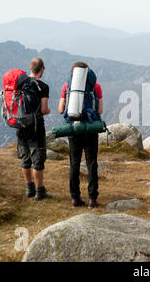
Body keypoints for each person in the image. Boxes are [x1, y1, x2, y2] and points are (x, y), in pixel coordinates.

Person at [58, 61, 103, 208]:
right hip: (90, 128)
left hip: (74, 128)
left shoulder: (68, 86)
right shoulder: (95, 86)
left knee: (74, 163)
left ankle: (75, 199)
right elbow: (100, 111)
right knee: (91, 163)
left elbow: (60, 109)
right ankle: (92, 199)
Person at [17, 58, 53, 201]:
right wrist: (48, 110)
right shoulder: (43, 86)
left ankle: (28, 189)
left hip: (20, 126)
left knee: (25, 158)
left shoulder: (20, 83)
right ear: (42, 69)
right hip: (36, 127)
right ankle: (40, 192)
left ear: (31, 68)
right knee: (37, 160)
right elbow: (44, 110)